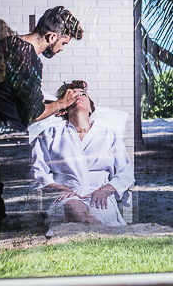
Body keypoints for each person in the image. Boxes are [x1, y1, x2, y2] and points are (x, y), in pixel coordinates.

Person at [31, 81, 134, 226]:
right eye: (72, 95)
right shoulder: (50, 135)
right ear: (64, 107)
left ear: (91, 108)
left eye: (83, 94)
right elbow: (38, 171)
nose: (78, 96)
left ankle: (99, 230)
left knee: (97, 213)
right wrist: (61, 189)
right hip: (67, 197)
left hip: (100, 198)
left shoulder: (108, 134)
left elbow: (126, 172)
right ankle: (104, 232)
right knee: (73, 207)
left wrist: (105, 190)